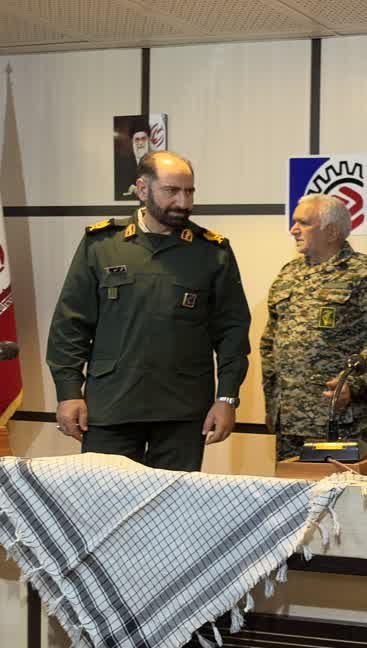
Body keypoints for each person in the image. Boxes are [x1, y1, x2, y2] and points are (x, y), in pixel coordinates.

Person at [47, 151, 251, 471]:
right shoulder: (102, 244)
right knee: (105, 497)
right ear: (142, 189)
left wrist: (227, 398)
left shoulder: (212, 252)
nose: (183, 202)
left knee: (173, 503)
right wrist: (68, 392)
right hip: (111, 406)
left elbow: (232, 332)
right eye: (172, 191)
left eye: (189, 192)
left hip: (182, 412)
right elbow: (70, 325)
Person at [261, 193, 367, 461]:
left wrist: (354, 384)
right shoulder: (288, 273)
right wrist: (272, 404)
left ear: (331, 232)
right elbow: (269, 343)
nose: (293, 230)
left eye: (303, 223)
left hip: (339, 419)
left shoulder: (363, 273)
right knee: (291, 487)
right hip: (289, 423)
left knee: (340, 488)